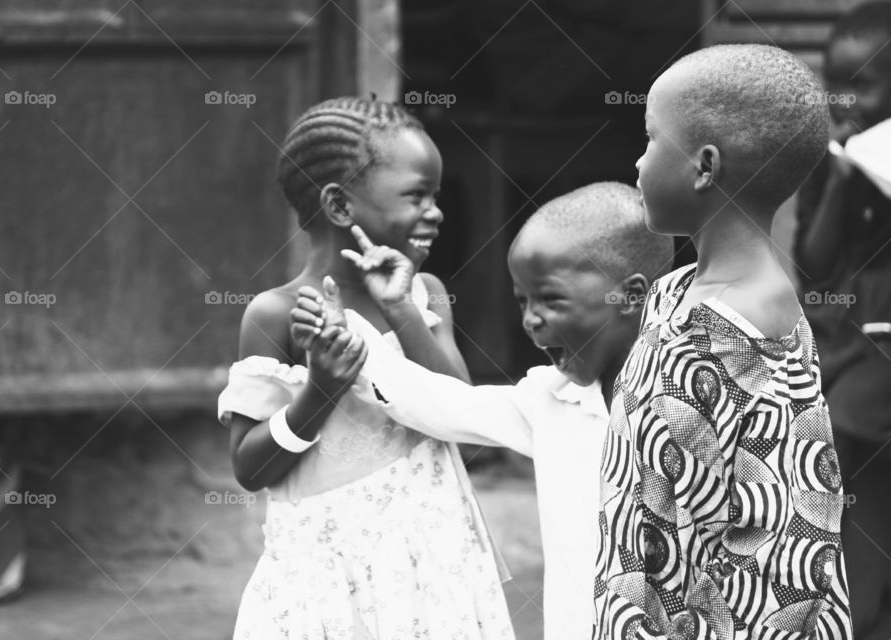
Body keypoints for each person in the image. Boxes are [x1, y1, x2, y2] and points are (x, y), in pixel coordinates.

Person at [291, 181, 674, 639]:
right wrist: (362, 331)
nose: (531, 319)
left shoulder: (691, 400)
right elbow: (440, 403)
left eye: (551, 299)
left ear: (632, 296)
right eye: (522, 301)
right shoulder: (550, 400)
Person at [216, 96, 514, 640]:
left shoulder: (425, 296)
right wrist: (321, 391)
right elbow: (249, 469)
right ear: (340, 206)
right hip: (329, 582)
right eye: (416, 195)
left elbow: (470, 433)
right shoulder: (278, 314)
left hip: (435, 566)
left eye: (436, 195)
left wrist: (404, 313)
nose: (436, 211)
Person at [591, 44, 853, 637]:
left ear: (704, 166)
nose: (636, 163)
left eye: (651, 139)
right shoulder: (676, 293)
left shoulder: (740, 327)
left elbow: (793, 540)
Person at [794, 4, 891, 636]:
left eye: (864, 83)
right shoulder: (831, 160)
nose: (845, 99)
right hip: (840, 350)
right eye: (835, 83)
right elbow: (815, 263)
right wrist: (840, 173)